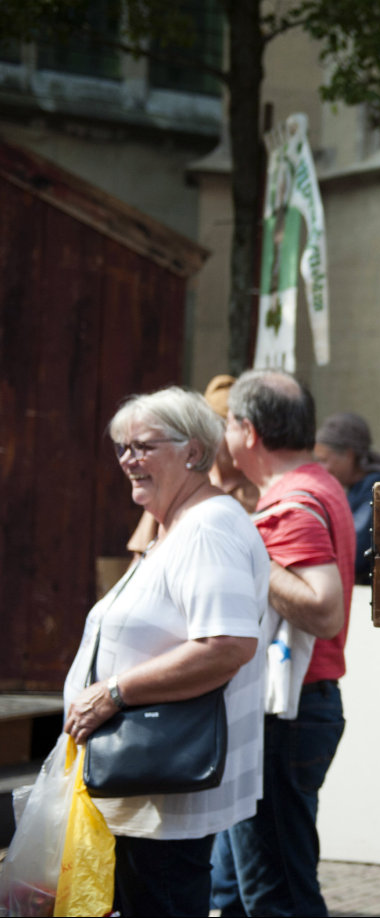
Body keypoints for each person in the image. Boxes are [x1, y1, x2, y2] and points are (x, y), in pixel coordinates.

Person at [62, 387, 270, 917]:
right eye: (122, 447)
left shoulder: (207, 529)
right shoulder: (176, 526)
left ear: (193, 452)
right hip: (147, 781)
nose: (127, 460)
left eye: (143, 447)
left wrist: (112, 692)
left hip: (163, 785)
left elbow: (226, 646)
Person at [212, 370, 356, 917]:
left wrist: (249, 550)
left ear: (248, 432)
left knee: (277, 899)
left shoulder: (294, 502)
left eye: (228, 425)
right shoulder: (317, 484)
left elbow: (323, 609)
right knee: (233, 891)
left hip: (284, 718)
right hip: (291, 712)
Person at [125, 374, 260, 555]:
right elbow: (141, 556)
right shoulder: (181, 486)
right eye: (217, 430)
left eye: (229, 429)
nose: (224, 440)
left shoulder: (258, 489)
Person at [313, 411, 380, 584]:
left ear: (349, 455)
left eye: (324, 460)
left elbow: (354, 553)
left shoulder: (376, 488)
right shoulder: (355, 488)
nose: (321, 469)